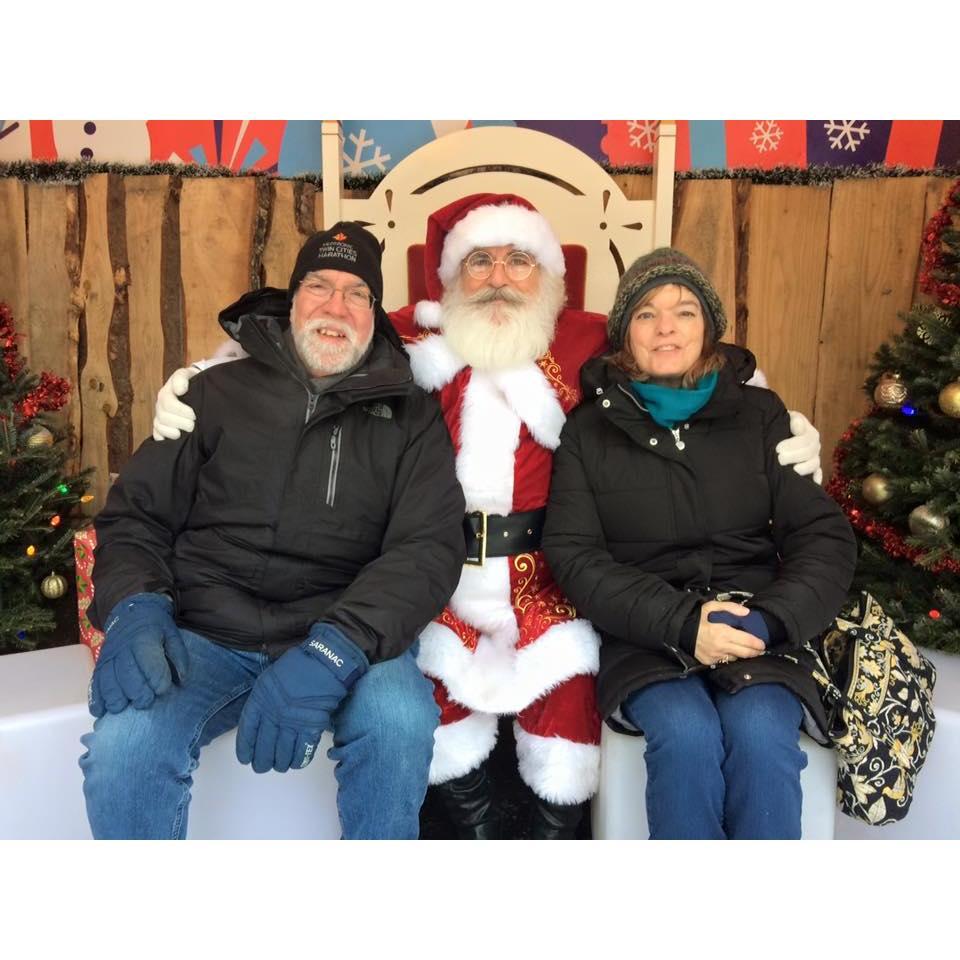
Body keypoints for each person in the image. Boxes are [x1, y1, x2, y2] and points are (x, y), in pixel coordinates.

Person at [152, 195, 824, 839]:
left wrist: (783, 421)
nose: (498, 278)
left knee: (567, 702)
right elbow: (310, 343)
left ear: (547, 275)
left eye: (517, 260)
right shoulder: (407, 335)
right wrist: (195, 381)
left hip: (552, 572)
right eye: (480, 261)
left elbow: (690, 364)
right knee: (437, 700)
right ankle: (469, 834)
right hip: (435, 569)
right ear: (452, 277)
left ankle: (552, 839)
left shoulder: (588, 337)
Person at [79, 222, 466, 840]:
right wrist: (135, 609)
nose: (335, 306)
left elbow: (427, 547)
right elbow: (137, 515)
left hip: (342, 634)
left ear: (374, 315)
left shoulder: (410, 416)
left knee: (399, 721)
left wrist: (334, 651)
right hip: (206, 630)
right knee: (125, 747)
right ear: (292, 303)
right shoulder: (211, 393)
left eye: (356, 293)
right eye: (319, 286)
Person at [542, 247, 857, 839]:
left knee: (763, 734)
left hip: (756, 626)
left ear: (708, 327)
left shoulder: (760, 415)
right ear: (623, 337)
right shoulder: (589, 431)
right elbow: (575, 554)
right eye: (645, 314)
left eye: (684, 311)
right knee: (684, 736)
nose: (666, 327)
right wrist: (686, 623)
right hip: (647, 632)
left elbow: (823, 536)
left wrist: (768, 623)